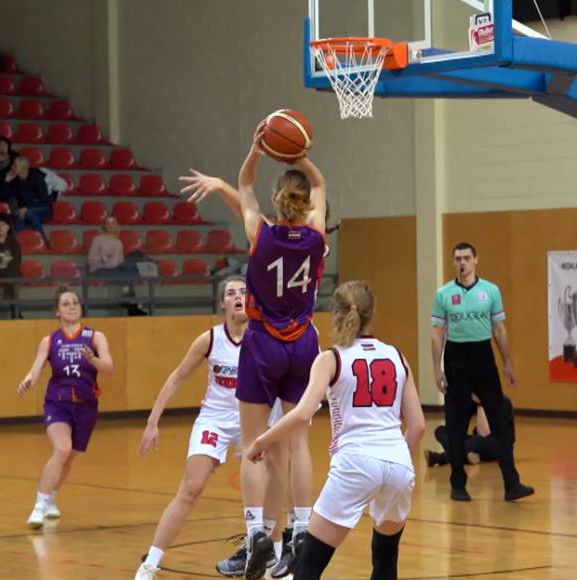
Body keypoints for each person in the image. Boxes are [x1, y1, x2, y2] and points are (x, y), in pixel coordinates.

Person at [182, 125, 327, 579]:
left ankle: (254, 536)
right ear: (306, 204)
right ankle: (302, 529)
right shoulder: (318, 237)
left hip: (263, 343)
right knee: (298, 442)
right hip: (303, 342)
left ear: (278, 200)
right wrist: (300, 155)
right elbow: (321, 184)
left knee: (253, 446)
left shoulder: (261, 235)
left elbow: (244, 186)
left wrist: (256, 149)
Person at [247, 281, 425, 580]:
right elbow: (418, 426)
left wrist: (261, 441)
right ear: (373, 313)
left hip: (355, 462)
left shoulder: (331, 358)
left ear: (336, 313)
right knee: (385, 561)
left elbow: (302, 414)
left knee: (309, 566)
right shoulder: (397, 356)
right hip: (399, 463)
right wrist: (393, 463)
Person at [135, 276, 249, 579]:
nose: (238, 297)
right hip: (215, 417)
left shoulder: (262, 337)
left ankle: (271, 557)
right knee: (191, 489)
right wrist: (152, 422)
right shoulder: (210, 339)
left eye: (243, 292)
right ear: (222, 303)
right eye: (231, 293)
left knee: (264, 490)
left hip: (252, 418)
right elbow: (176, 378)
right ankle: (151, 563)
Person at [431, 242, 533, 502]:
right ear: (454, 262)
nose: (462, 262)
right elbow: (437, 334)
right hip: (456, 361)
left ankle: (512, 485)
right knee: (456, 425)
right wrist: (437, 368)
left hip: (483, 358)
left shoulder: (491, 291)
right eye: (457, 258)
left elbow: (499, 329)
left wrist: (507, 361)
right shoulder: (444, 294)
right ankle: (458, 485)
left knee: (499, 423)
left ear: (476, 260)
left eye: (466, 258)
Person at [17, 288, 114, 528]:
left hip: (86, 405)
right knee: (61, 449)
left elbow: (109, 367)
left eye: (75, 303)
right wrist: (29, 379)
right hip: (57, 402)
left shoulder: (95, 337)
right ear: (57, 311)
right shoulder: (50, 340)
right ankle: (39, 506)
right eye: (66, 303)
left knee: (69, 456)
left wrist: (93, 359)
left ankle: (52, 497)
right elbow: (37, 368)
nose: (72, 306)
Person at [425, 396, 515, 468]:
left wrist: (481, 404)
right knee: (440, 430)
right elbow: (457, 428)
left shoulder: (503, 402)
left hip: (498, 446)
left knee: (476, 441)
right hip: (479, 444)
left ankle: (440, 457)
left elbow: (484, 433)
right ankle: (467, 455)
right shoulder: (472, 400)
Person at [87, 216, 147, 316]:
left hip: (114, 270)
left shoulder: (118, 242)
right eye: (108, 223)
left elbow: (120, 261)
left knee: (130, 268)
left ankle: (131, 302)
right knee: (126, 275)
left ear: (117, 225)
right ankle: (133, 306)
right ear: (105, 226)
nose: (110, 225)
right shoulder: (98, 239)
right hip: (100, 270)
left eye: (113, 223)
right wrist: (103, 258)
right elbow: (91, 260)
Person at [3, 156, 52, 243]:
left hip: (43, 208)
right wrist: (7, 181)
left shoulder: (37, 178)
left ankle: (42, 242)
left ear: (23, 167)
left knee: (28, 213)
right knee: (20, 215)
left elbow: (43, 199)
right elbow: (3, 196)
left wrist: (27, 208)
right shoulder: (15, 181)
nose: (12, 167)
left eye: (15, 165)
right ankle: (20, 244)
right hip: (24, 211)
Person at [0, 136, 20, 204]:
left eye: (4, 144)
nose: (2, 147)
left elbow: (17, 170)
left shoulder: (15, 156)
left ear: (8, 145)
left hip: (11, 183)